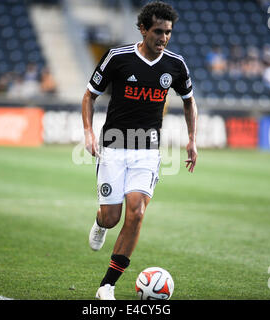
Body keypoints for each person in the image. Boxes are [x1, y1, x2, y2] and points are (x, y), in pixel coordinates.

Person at [81, 1, 198, 300]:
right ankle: (100, 223)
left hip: (147, 150)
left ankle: (107, 285)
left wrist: (192, 139)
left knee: (137, 212)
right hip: (114, 147)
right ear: (143, 29)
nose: (164, 38)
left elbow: (188, 100)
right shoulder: (117, 58)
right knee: (112, 217)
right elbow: (89, 96)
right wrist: (88, 131)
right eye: (158, 31)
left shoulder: (175, 65)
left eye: (168, 32)